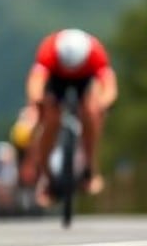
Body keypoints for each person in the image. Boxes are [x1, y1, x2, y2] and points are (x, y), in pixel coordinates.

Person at [19, 28, 117, 204]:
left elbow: (109, 85)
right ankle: (47, 175)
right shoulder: (49, 49)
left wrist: (103, 103)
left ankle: (90, 167)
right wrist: (37, 100)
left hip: (84, 82)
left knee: (91, 113)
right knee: (50, 120)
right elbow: (36, 81)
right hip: (55, 82)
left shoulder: (95, 51)